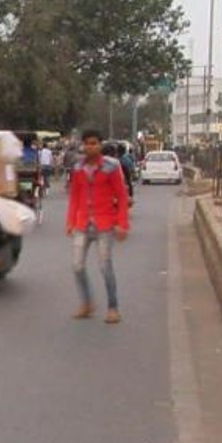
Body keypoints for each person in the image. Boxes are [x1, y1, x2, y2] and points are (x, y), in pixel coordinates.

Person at [67, 129, 130, 324]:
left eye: (94, 143)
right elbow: (75, 197)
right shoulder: (78, 168)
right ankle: (87, 303)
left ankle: (113, 307)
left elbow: (121, 196)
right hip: (83, 222)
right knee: (77, 265)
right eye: (87, 143)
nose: (90, 147)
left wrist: (122, 224)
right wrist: (70, 221)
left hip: (105, 223)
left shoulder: (112, 167)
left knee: (105, 267)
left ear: (100, 145)